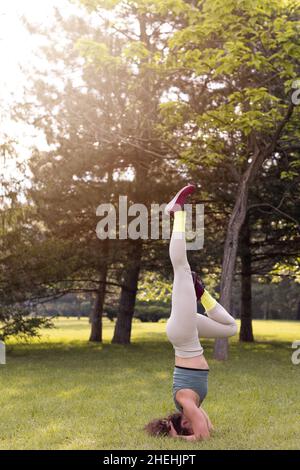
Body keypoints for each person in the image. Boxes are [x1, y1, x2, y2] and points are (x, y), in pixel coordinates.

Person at [145, 184, 237, 441]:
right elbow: (209, 429)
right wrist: (185, 431)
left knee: (181, 268)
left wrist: (177, 438)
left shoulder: (185, 402)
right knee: (231, 328)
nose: (194, 421)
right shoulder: (192, 407)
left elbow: (203, 436)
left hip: (184, 335)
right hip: (189, 334)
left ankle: (178, 212)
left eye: (187, 424)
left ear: (183, 422)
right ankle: (201, 293)